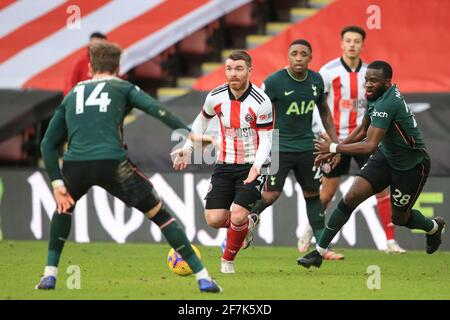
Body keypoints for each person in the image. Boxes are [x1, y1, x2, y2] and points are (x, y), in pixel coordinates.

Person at [36, 42, 222, 293]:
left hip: (75, 165)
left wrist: (57, 183)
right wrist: (191, 134)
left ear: (90, 68)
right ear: (118, 67)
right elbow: (158, 111)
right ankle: (203, 277)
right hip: (113, 164)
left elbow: (47, 143)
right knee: (160, 215)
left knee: (63, 208)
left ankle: (49, 275)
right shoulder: (123, 87)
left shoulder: (73, 94)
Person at [298, 61, 445, 269]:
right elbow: (362, 130)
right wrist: (336, 147)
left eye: (374, 81)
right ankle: (319, 252)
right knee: (350, 197)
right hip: (385, 158)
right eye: (366, 80)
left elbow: (369, 145)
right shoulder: (374, 96)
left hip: (411, 166)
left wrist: (333, 148)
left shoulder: (388, 103)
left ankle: (433, 227)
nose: (367, 85)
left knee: (400, 217)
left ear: (387, 82)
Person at [298, 26, 406, 254]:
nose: (352, 45)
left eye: (356, 41)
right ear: (342, 43)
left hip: (363, 140)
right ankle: (310, 227)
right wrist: (325, 135)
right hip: (336, 140)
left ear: (362, 45)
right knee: (327, 193)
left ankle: (390, 241)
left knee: (382, 189)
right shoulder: (328, 71)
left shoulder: (370, 72)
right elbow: (318, 105)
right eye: (348, 40)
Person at [172, 50, 273, 274]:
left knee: (237, 213)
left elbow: (267, 139)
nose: (233, 74)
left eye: (238, 69)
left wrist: (257, 167)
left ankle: (227, 262)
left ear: (249, 70)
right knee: (214, 219)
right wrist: (188, 148)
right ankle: (245, 225)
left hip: (253, 164)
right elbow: (201, 121)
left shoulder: (261, 102)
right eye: (229, 68)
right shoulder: (215, 96)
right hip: (225, 163)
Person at [248, 39, 344, 260]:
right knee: (271, 194)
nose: (299, 58)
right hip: (278, 147)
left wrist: (334, 143)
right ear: (288, 57)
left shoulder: (317, 81)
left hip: (306, 148)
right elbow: (257, 113)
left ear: (310, 58)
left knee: (313, 195)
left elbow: (325, 113)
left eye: (303, 54)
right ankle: (243, 222)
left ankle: (322, 247)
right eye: (294, 54)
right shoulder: (274, 82)